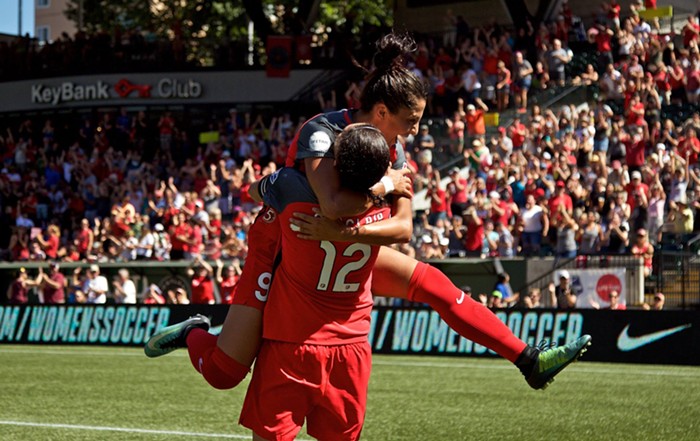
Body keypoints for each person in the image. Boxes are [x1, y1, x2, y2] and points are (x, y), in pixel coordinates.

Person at [145, 32, 591, 399]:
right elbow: (333, 204)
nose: (414, 132)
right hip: (284, 250)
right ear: (381, 113)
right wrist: (384, 187)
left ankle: (529, 360)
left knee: (436, 286)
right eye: (410, 121)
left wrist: (360, 217)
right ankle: (194, 334)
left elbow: (395, 228)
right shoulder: (320, 133)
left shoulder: (391, 147)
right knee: (225, 373)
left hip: (338, 241)